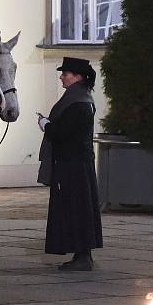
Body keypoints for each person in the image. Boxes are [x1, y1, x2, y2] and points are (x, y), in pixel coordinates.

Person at [37, 56, 102, 271]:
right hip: (75, 163)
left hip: (73, 165)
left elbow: (64, 133)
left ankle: (83, 256)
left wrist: (45, 124)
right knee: (78, 208)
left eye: (65, 74)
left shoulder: (79, 102)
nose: (61, 77)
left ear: (78, 77)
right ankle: (81, 255)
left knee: (77, 209)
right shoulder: (79, 98)